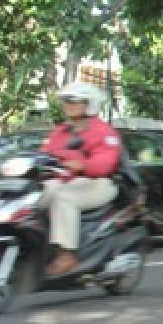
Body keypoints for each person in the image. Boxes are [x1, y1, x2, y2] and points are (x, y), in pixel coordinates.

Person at [40, 82, 123, 276]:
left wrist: (83, 165)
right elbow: (45, 153)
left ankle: (66, 254)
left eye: (73, 101)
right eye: (65, 101)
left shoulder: (104, 132)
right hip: (67, 181)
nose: (67, 104)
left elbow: (106, 163)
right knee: (38, 192)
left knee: (64, 198)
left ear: (89, 104)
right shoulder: (61, 131)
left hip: (99, 183)